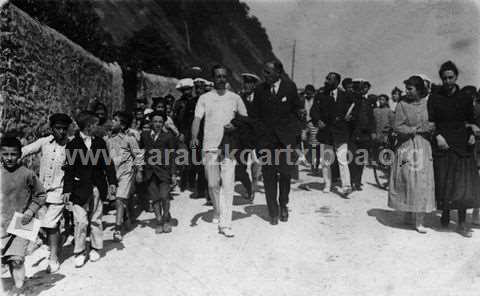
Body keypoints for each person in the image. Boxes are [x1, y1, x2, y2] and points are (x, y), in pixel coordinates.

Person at [191, 64, 248, 236]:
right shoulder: (204, 98)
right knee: (212, 184)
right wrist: (194, 137)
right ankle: (217, 209)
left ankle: (226, 223)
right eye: (218, 76)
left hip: (229, 146)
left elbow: (245, 119)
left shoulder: (235, 98)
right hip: (209, 145)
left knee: (228, 184)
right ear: (213, 78)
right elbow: (197, 119)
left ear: (227, 77)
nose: (221, 79)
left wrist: (235, 125)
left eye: (224, 76)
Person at [429, 61, 480, 237]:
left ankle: (462, 222)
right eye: (444, 78)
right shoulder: (435, 97)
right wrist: (437, 136)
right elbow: (431, 121)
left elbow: (471, 120)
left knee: (463, 184)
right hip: (443, 144)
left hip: (463, 144)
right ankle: (444, 214)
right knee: (445, 181)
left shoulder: (465, 97)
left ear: (456, 77)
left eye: (451, 77)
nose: (447, 81)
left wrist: (472, 132)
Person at [249, 61, 302, 225]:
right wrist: (258, 140)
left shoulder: (290, 87)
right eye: (264, 72)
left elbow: (297, 113)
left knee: (285, 174)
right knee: (269, 176)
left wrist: (294, 138)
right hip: (266, 142)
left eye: (268, 72)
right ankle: (273, 210)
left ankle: (283, 204)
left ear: (278, 72)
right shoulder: (259, 89)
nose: (265, 75)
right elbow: (255, 117)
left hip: (285, 141)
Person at [63, 111, 117, 267]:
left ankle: (95, 247)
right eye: (94, 124)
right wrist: (67, 190)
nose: (96, 127)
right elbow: (69, 170)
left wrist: (112, 182)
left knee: (96, 219)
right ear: (87, 126)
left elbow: (108, 164)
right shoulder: (73, 145)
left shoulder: (99, 142)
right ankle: (79, 251)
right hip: (79, 189)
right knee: (80, 221)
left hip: (97, 187)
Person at [20, 113, 72, 273]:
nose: (61, 132)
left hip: (59, 191)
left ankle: (54, 257)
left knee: (50, 224)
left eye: (65, 129)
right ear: (51, 129)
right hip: (40, 190)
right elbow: (24, 150)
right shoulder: (44, 143)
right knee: (26, 217)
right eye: (58, 128)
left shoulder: (71, 146)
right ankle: (16, 255)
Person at [388, 75, 435, 233]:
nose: (407, 91)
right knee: (406, 178)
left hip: (423, 146)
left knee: (421, 181)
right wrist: (414, 130)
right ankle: (407, 212)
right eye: (406, 88)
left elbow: (433, 123)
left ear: (419, 89)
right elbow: (397, 126)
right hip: (406, 147)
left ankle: (419, 220)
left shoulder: (428, 104)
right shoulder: (402, 105)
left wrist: (429, 128)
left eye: (410, 88)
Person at [1, 136, 46, 293]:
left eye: (13, 154)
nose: (9, 158)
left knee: (18, 260)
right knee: (9, 260)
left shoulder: (27, 174)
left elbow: (40, 195)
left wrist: (30, 210)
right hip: (2, 224)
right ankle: (18, 285)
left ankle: (20, 289)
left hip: (23, 221)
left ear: (20, 154)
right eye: (5, 154)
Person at [310, 72, 355, 196]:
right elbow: (314, 110)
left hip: (340, 133)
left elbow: (354, 109)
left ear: (337, 82)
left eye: (329, 79)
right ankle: (327, 184)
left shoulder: (346, 96)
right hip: (326, 133)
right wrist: (317, 120)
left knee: (342, 160)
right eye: (326, 78)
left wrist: (350, 117)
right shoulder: (320, 95)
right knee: (326, 161)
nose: (326, 81)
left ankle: (346, 186)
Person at [108, 111, 143, 241]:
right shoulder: (109, 139)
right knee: (119, 200)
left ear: (122, 125)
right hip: (113, 174)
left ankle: (117, 229)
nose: (112, 122)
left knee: (119, 199)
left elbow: (138, 155)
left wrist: (139, 171)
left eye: (115, 120)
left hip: (126, 173)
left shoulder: (130, 139)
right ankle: (127, 215)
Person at [139, 111, 176, 234]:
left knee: (164, 196)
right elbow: (140, 153)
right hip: (149, 172)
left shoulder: (168, 136)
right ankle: (159, 221)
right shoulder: (144, 135)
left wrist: (174, 174)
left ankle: (166, 219)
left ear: (163, 123)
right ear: (151, 122)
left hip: (164, 171)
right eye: (155, 121)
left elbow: (172, 156)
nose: (158, 124)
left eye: (160, 122)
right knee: (155, 198)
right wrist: (139, 170)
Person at [236, 72, 262, 200]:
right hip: (242, 138)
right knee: (241, 167)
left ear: (254, 85)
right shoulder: (239, 98)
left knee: (256, 164)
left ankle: (254, 185)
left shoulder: (260, 99)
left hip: (257, 138)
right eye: (245, 83)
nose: (247, 85)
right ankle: (249, 188)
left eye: (250, 83)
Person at [349, 81, 375, 191]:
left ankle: (358, 181)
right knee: (352, 158)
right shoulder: (352, 101)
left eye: (364, 88)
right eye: (360, 89)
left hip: (365, 135)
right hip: (353, 134)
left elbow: (371, 118)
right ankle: (351, 181)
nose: (362, 91)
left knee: (361, 159)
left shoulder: (368, 102)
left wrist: (372, 131)